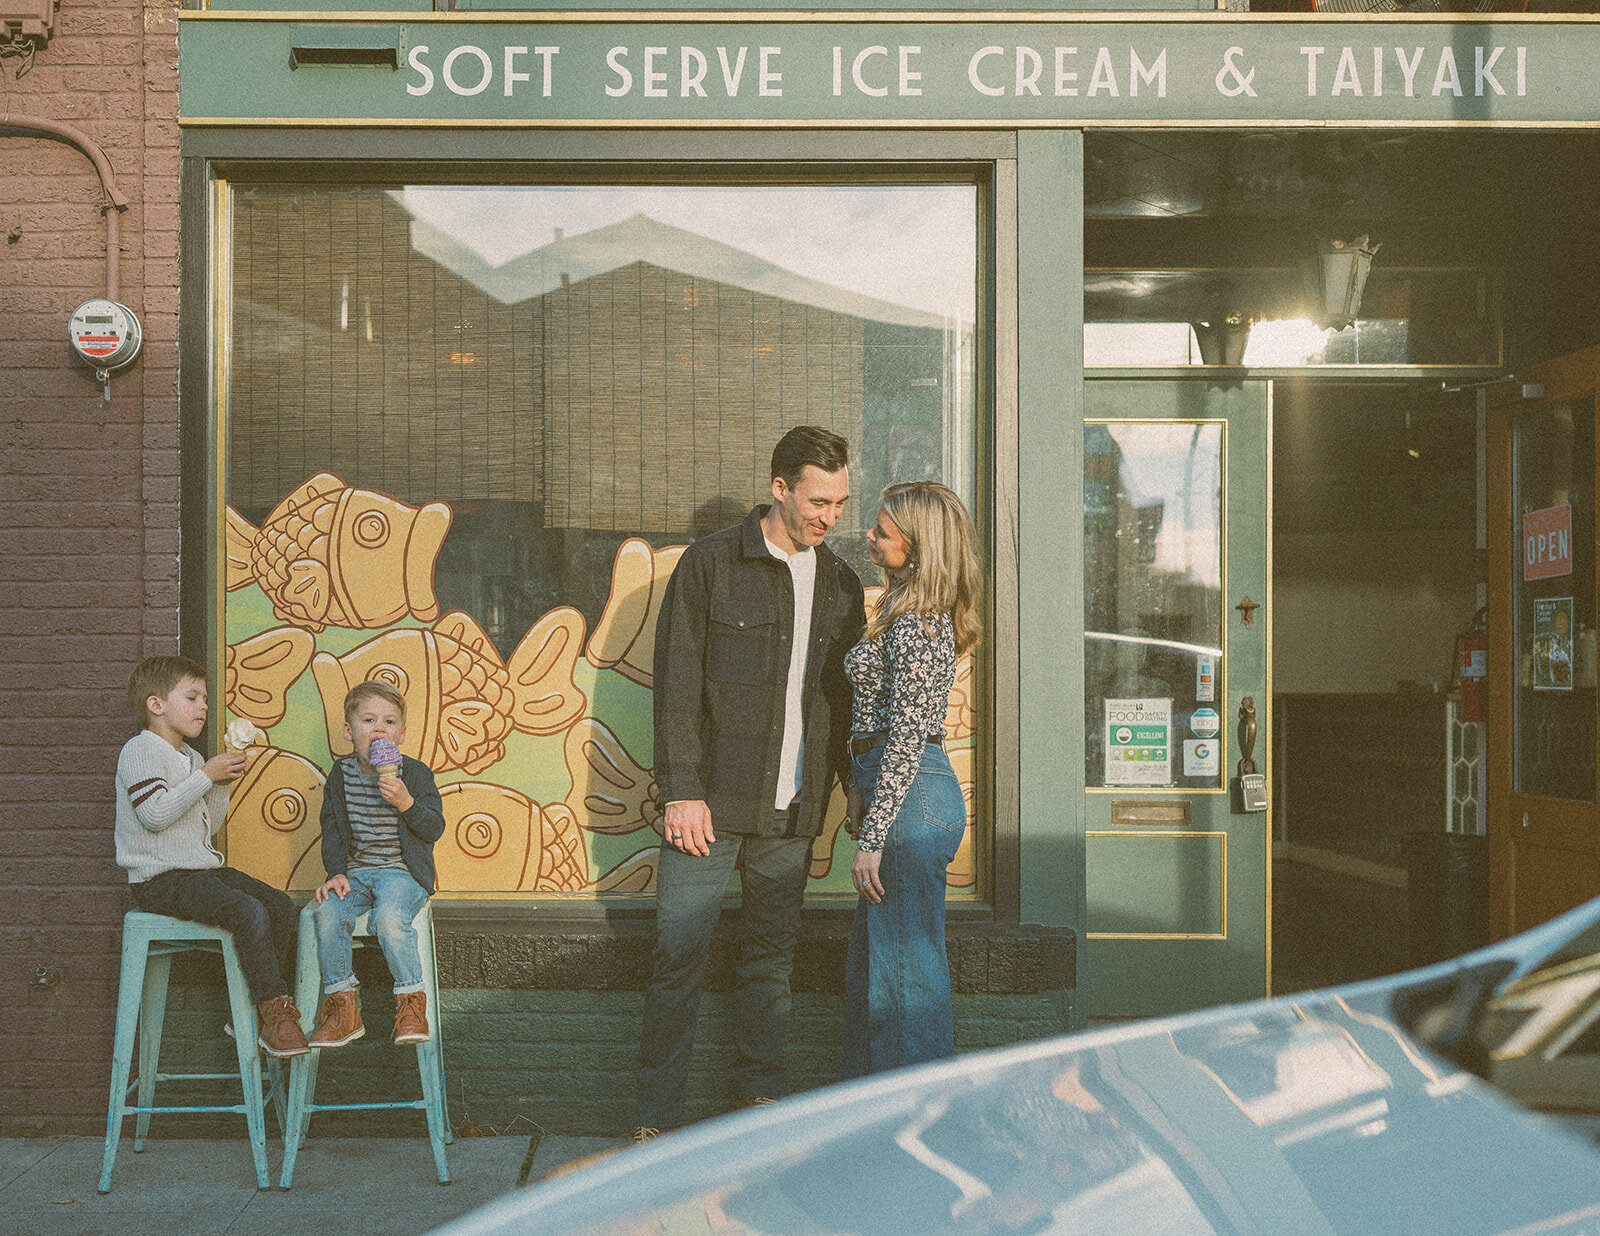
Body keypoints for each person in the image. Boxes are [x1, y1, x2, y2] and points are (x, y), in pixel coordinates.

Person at [636, 425, 867, 1142]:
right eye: (818, 500)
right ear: (779, 489)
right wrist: (680, 788)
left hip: (792, 811)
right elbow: (676, 685)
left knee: (770, 966)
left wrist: (851, 789)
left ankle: (758, 1113)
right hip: (707, 806)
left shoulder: (840, 583)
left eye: (840, 503)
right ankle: (655, 1127)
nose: (830, 517)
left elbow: (845, 698)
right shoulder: (709, 567)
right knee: (679, 958)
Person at [841, 481, 982, 1078]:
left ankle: (916, 1123)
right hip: (898, 792)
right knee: (878, 970)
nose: (868, 537)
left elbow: (906, 734)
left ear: (918, 547)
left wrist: (873, 837)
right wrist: (858, 790)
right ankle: (868, 1115)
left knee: (903, 978)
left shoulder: (921, 625)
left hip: (911, 796)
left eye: (882, 532)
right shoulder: (902, 612)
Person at [115, 655, 310, 1057]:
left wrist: (220, 781)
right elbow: (153, 816)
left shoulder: (192, 758)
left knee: (278, 906)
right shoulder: (140, 750)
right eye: (192, 697)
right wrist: (207, 776)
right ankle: (276, 1013)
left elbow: (211, 821)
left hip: (200, 872)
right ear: (156, 705)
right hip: (159, 880)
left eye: (204, 698)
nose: (203, 706)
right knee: (247, 911)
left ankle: (247, 1016)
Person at [308, 680, 446, 1048]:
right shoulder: (341, 775)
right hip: (356, 872)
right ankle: (343, 1008)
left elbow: (434, 828)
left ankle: (411, 1003)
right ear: (348, 731)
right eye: (368, 720)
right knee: (327, 913)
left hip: (402, 873)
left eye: (389, 721)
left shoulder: (415, 774)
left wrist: (406, 802)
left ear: (401, 734)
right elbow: (333, 828)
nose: (379, 728)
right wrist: (335, 872)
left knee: (388, 919)